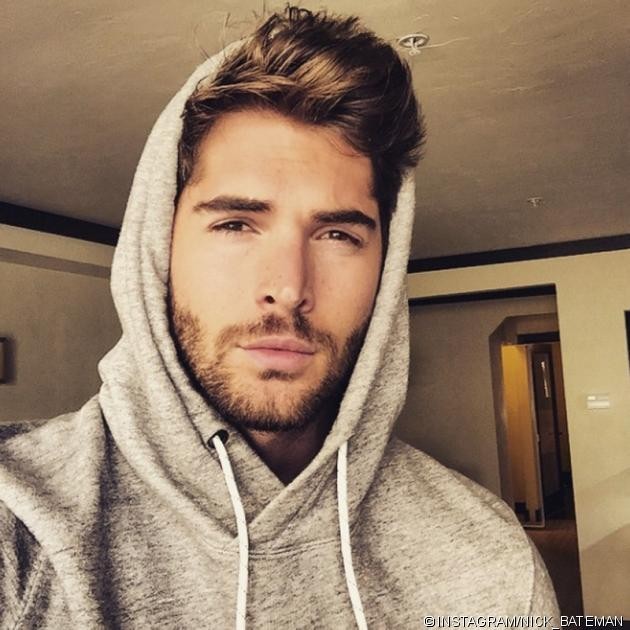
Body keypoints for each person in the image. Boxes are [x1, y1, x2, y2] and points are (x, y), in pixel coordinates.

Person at [0, 6, 559, 628]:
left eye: (338, 235)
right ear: (158, 247)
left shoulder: (489, 560)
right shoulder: (21, 525)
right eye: (236, 224)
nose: (289, 288)